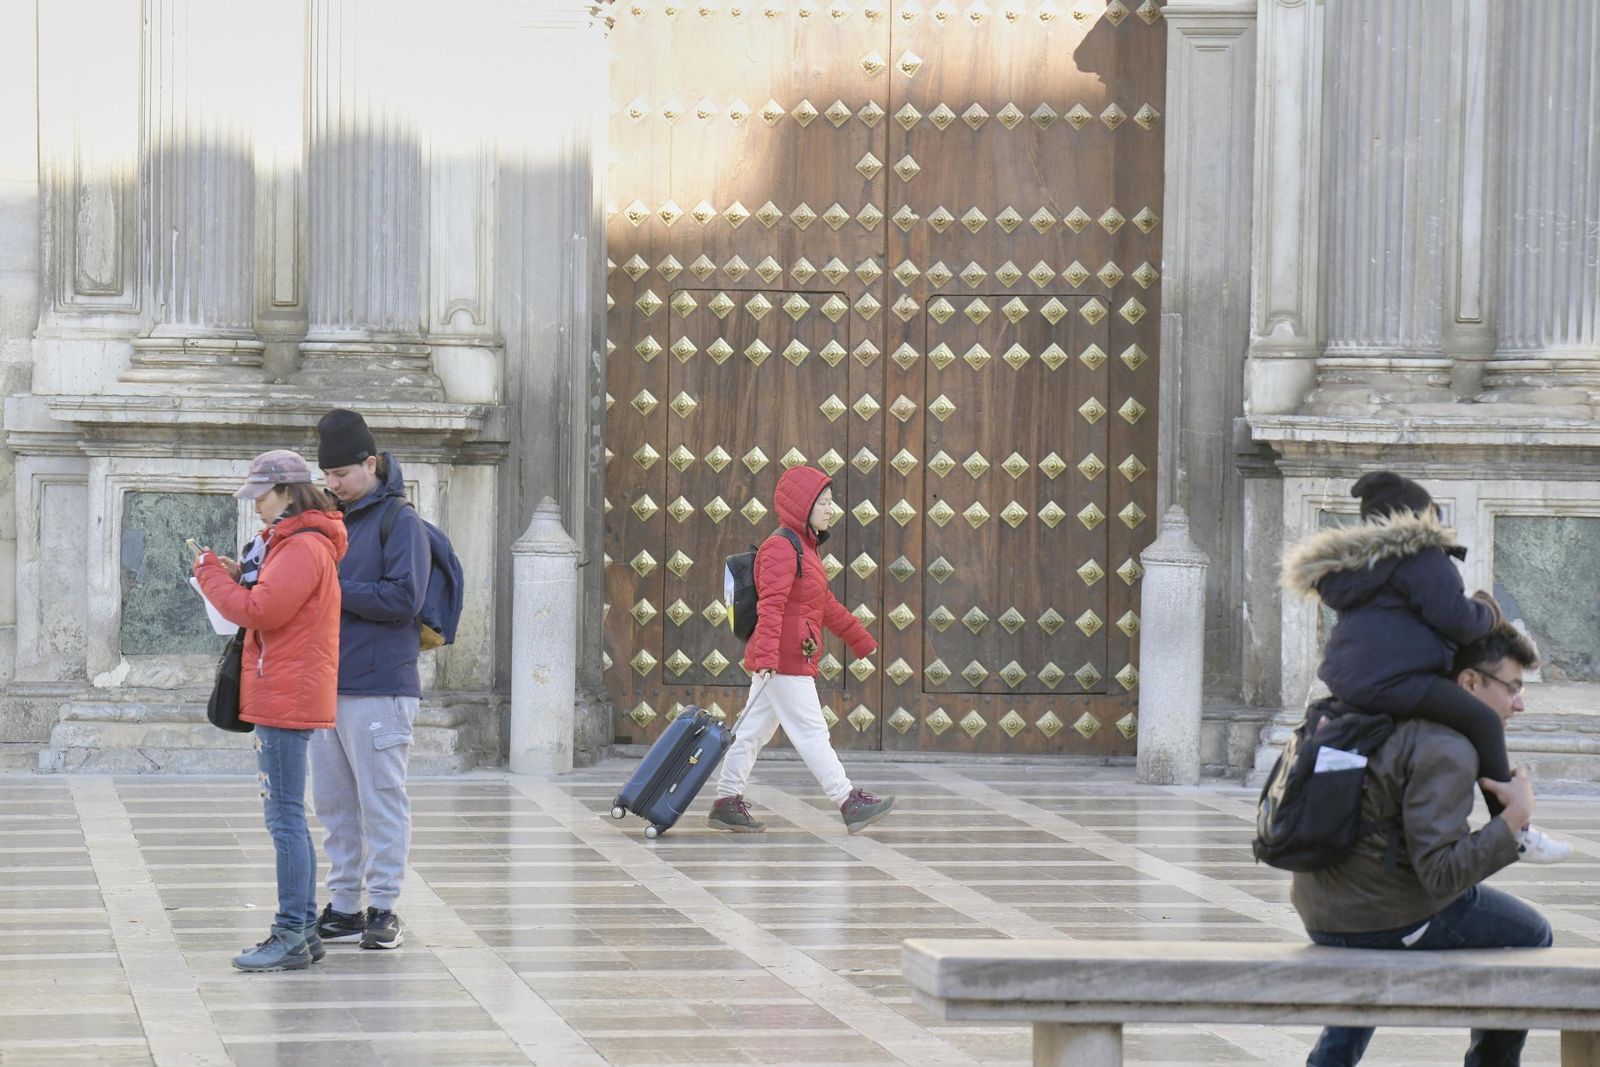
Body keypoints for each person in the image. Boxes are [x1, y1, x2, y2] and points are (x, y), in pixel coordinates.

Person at [1291, 623, 1556, 1066]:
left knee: (1375, 937)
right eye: (1513, 688)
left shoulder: (1375, 713)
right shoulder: (1444, 745)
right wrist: (1512, 820)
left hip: (1320, 906)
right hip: (1376, 919)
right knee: (1530, 935)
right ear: (1470, 681)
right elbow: (1442, 875)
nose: (1520, 704)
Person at [1281, 470, 1569, 863]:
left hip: (1350, 683)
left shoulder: (1357, 570)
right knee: (1482, 721)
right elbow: (1457, 620)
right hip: (1397, 681)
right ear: (1421, 519)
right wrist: (1488, 611)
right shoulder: (1419, 556)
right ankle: (1514, 830)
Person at [193, 450, 348, 972]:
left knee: (284, 819)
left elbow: (260, 611)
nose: (256, 506)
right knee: (286, 817)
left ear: (287, 491)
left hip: (287, 694)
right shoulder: (296, 543)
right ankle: (302, 933)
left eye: (261, 495)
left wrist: (211, 575)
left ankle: (289, 933)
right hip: (285, 689)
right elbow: (271, 601)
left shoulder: (303, 547)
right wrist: (240, 574)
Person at [710, 465, 894, 835]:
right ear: (803, 505)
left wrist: (860, 639)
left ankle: (726, 801)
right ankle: (848, 800)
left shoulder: (804, 549)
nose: (830, 509)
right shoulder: (782, 547)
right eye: (823, 503)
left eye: (830, 502)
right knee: (812, 732)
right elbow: (771, 607)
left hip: (785, 658)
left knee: (751, 734)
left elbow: (823, 605)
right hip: (783, 660)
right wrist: (766, 659)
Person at [311, 409, 430, 950]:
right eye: (327, 476)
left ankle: (384, 907)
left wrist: (333, 587)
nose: (333, 484)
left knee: (381, 800)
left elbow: (406, 598)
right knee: (334, 805)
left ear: (371, 463)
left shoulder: (399, 521)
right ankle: (343, 906)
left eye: (341, 474)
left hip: (381, 686)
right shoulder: (333, 523)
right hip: (327, 686)